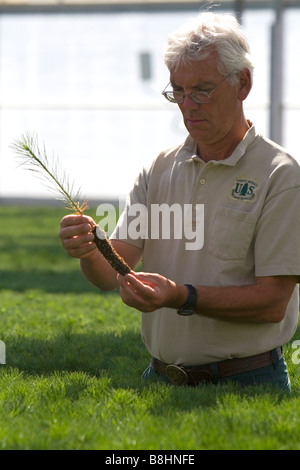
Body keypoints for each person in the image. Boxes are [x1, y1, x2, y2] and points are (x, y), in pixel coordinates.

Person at [59, 12, 300, 391]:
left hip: (246, 383)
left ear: (243, 84)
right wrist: (89, 250)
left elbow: (273, 303)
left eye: (202, 90)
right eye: (178, 91)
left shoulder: (279, 174)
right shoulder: (159, 167)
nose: (188, 105)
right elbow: (110, 273)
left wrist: (180, 296)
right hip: (160, 380)